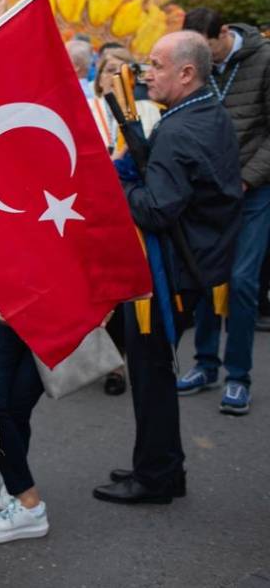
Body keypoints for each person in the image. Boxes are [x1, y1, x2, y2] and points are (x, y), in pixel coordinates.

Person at [94, 31, 243, 505]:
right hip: (195, 265)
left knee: (152, 374)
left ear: (187, 73)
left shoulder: (180, 128)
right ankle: (160, 465)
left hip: (169, 275)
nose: (146, 74)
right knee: (152, 370)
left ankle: (156, 476)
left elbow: (158, 209)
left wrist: (119, 187)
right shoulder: (209, 113)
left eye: (156, 65)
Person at [178, 8, 270, 415]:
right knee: (204, 277)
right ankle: (205, 365)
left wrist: (247, 179)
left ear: (225, 33)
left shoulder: (263, 59)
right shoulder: (199, 66)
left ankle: (238, 376)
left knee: (242, 282)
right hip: (208, 196)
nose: (202, 58)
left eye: (207, 48)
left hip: (252, 192)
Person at [88, 46, 162, 396]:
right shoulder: (86, 110)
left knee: (124, 288)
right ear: (99, 78)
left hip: (132, 211)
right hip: (92, 210)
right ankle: (102, 359)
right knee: (98, 286)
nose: (115, 77)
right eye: (108, 70)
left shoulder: (146, 111)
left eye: (122, 70)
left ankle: (119, 360)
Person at [0, 313, 49, 544]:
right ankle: (18, 485)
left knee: (16, 406)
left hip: (60, 306)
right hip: (7, 298)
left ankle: (27, 502)